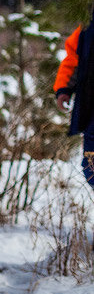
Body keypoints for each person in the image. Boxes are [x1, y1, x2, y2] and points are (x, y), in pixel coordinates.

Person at [54, 11, 94, 189]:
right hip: (91, 104)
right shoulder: (87, 26)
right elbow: (73, 58)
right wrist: (64, 89)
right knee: (90, 165)